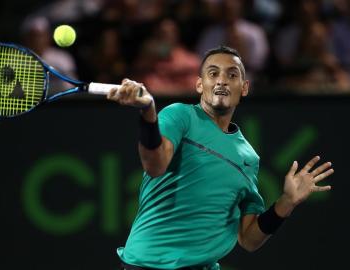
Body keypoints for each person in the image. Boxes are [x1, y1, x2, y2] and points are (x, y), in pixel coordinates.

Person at [107, 45, 334, 270]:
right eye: (213, 73)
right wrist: (148, 112)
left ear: (244, 88)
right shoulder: (180, 116)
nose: (222, 80)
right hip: (147, 265)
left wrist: (287, 202)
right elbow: (155, 164)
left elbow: (249, 239)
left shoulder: (249, 158)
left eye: (232, 75)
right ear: (199, 84)